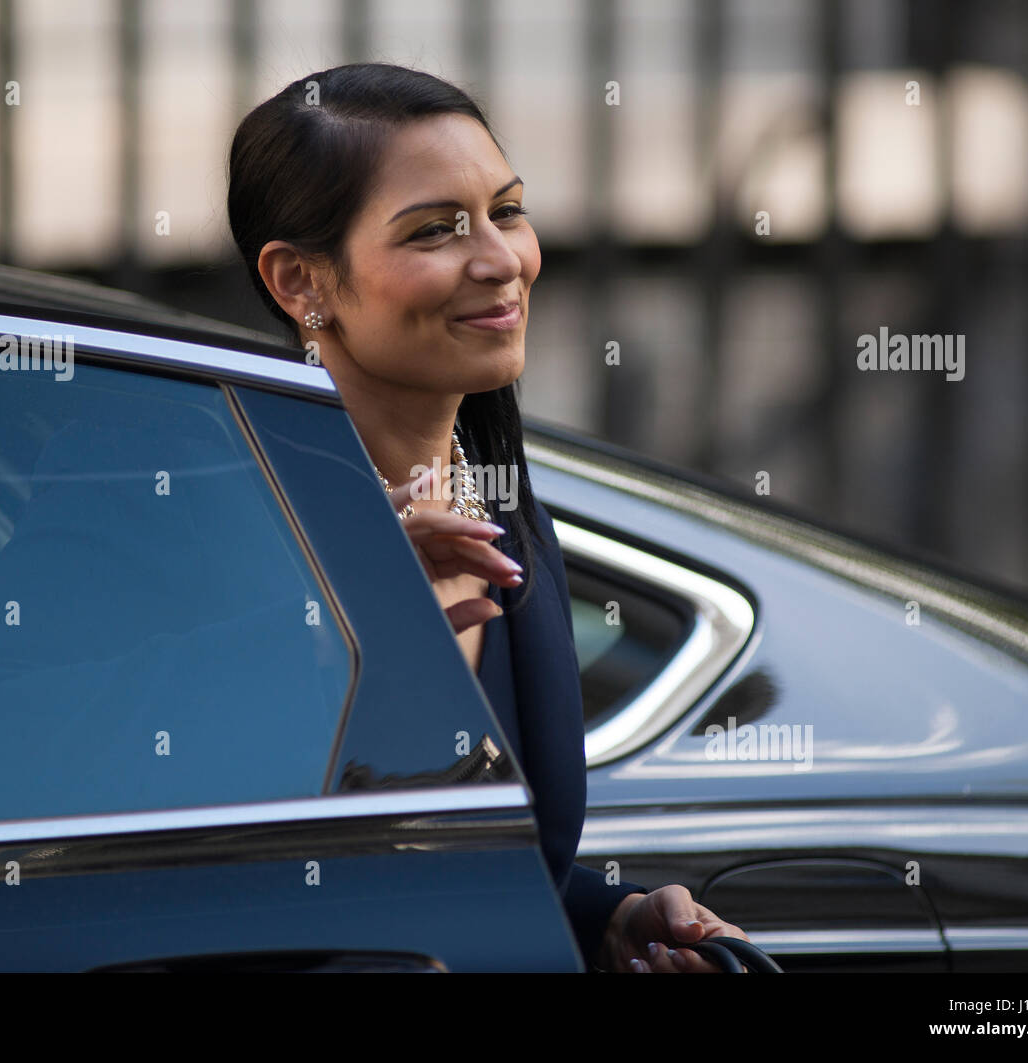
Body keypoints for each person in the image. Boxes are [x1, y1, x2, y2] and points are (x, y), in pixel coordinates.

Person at [231, 61, 752, 972]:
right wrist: (329, 616)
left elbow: (479, 857)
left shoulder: (498, 497)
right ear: (299, 281)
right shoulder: (212, 502)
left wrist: (605, 918)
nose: (502, 260)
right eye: (435, 230)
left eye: (507, 211)